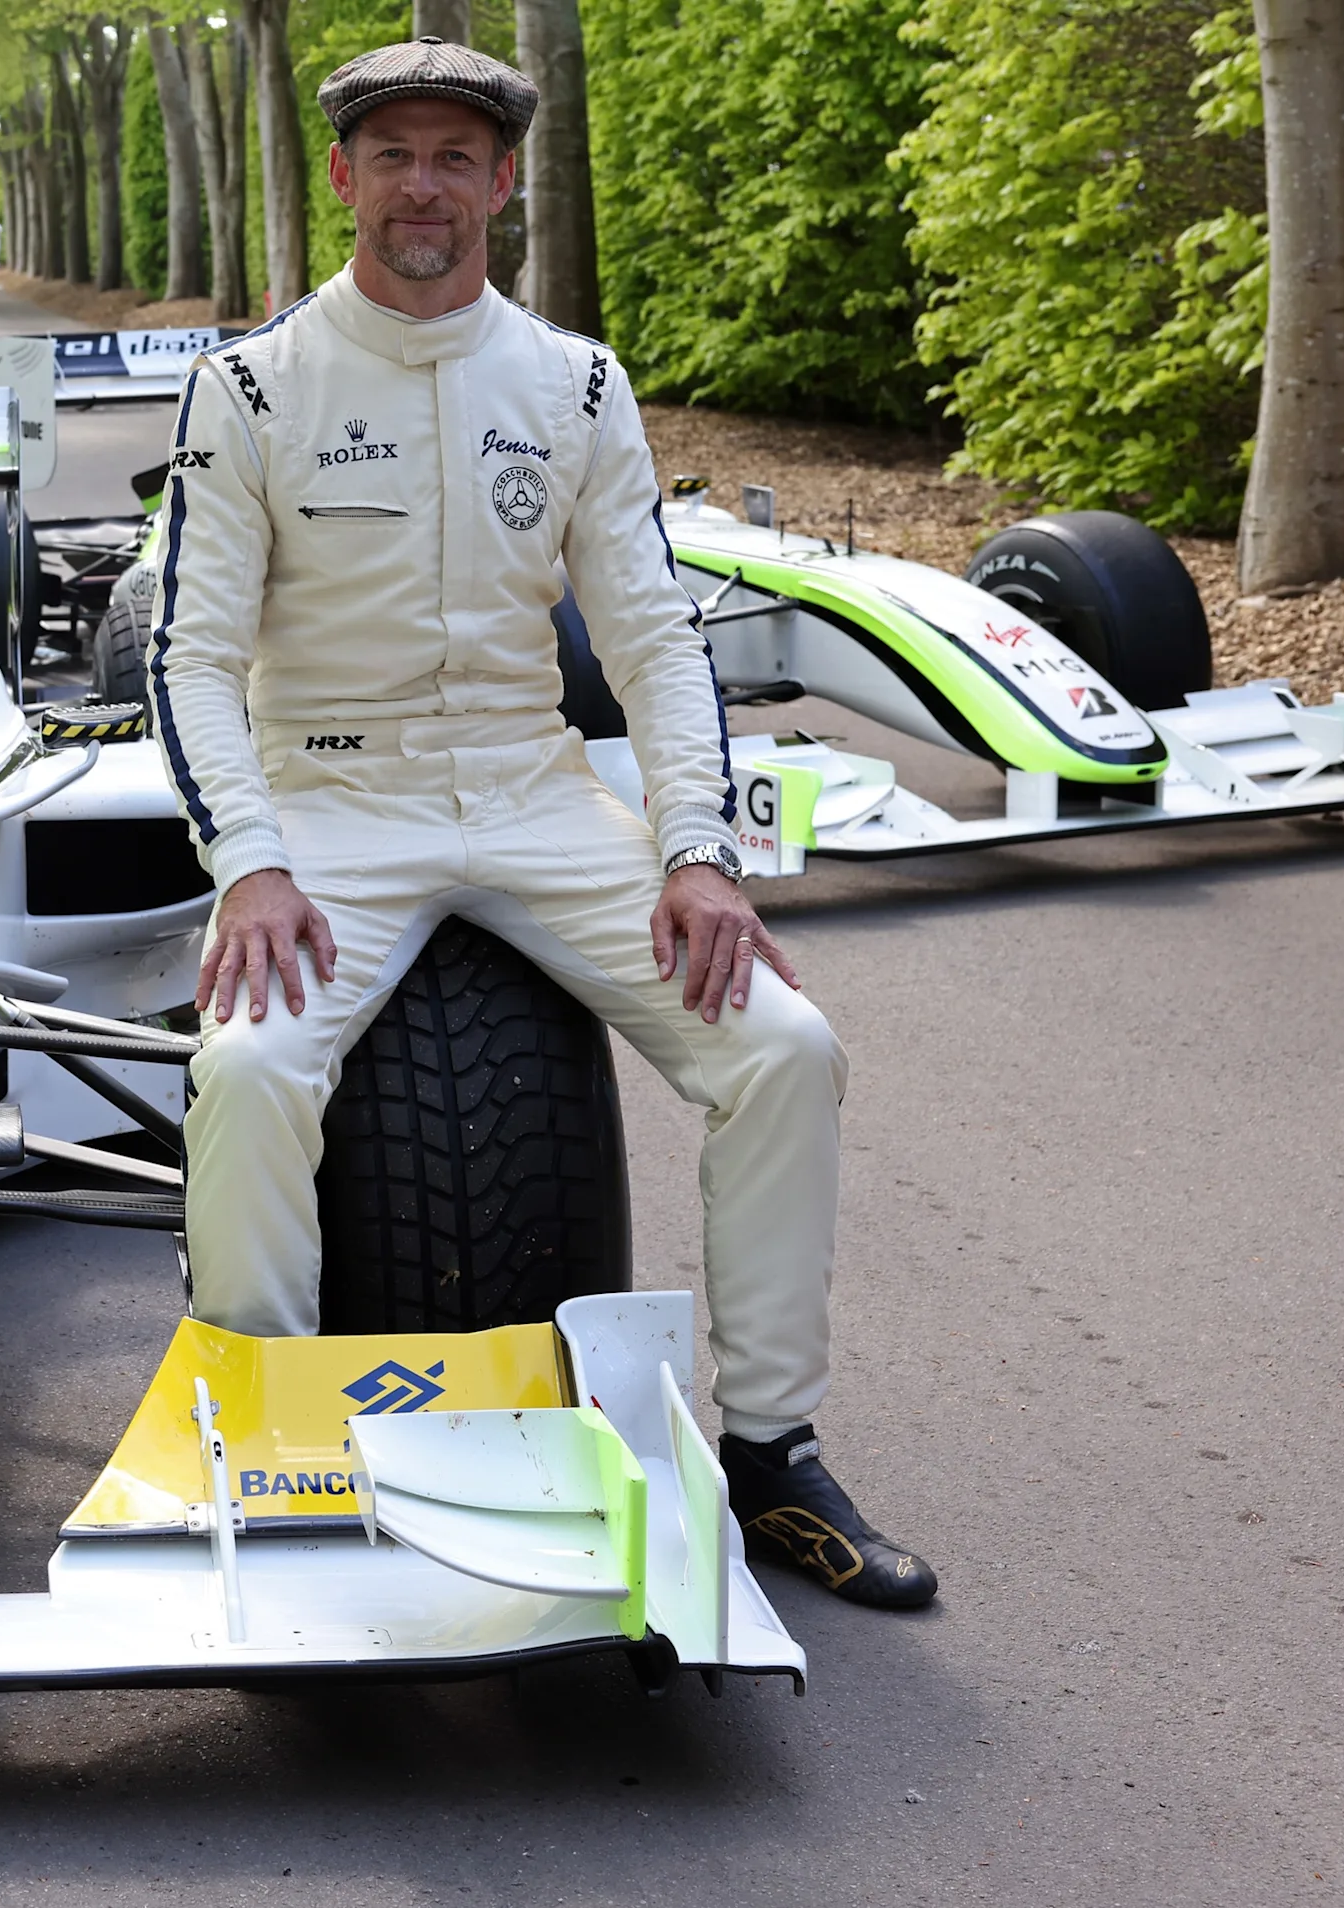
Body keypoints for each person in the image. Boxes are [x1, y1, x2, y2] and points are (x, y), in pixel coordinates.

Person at [147, 37, 935, 1610]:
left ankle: (773, 1456)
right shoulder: (248, 384)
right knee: (241, 1067)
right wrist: (251, 860)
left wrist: (697, 852)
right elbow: (190, 653)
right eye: (394, 157)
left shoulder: (575, 380)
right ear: (344, 177)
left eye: (455, 159)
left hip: (531, 790)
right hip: (331, 799)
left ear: (503, 183)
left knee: (782, 1046)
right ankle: (262, 1452)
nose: (422, 188)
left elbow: (652, 638)